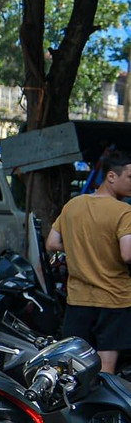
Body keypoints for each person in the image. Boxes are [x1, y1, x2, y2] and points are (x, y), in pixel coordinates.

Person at [46, 149, 131, 373]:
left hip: (78, 300)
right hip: (114, 301)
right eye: (130, 177)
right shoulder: (124, 212)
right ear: (112, 176)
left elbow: (52, 243)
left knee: (75, 365)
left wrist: (78, 247)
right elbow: (127, 254)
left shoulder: (72, 205)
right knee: (106, 365)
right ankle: (102, 409)